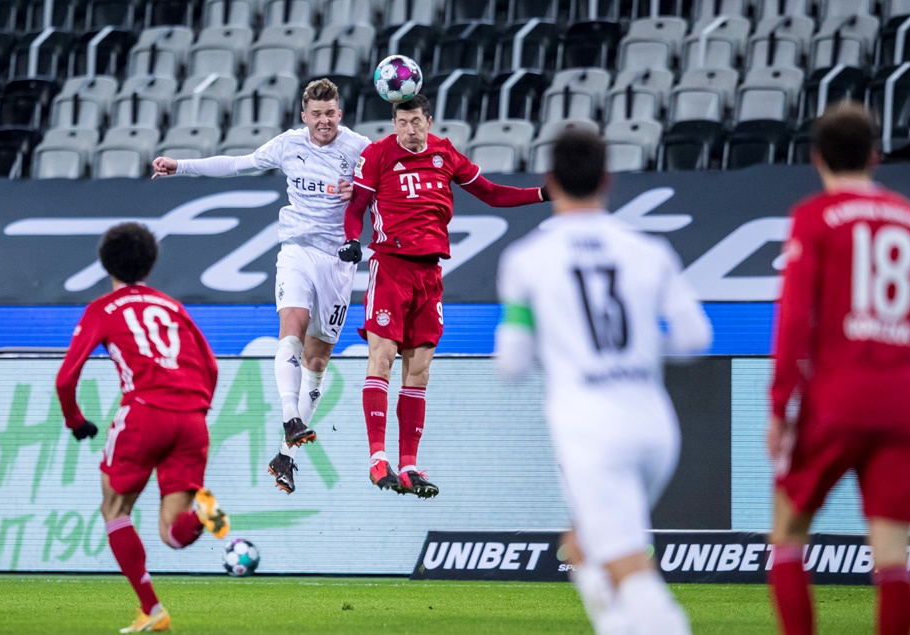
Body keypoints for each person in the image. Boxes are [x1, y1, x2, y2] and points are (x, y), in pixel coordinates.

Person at [494, 129, 712, 634]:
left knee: (631, 572)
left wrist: (564, 347)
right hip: (656, 426)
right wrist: (637, 351)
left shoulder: (527, 260)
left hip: (592, 431)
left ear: (550, 181)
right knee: (587, 548)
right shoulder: (647, 249)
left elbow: (512, 364)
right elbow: (695, 336)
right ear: (608, 181)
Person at [767, 102, 910, 635]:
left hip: (833, 401)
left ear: (815, 158)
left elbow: (792, 323)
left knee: (786, 537)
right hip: (899, 406)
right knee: (893, 558)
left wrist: (780, 407)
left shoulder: (813, 218)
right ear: (876, 155)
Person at [152, 78, 369, 495]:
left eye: (331, 113)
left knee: (318, 361)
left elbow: (386, 191)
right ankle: (291, 414)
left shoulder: (359, 149)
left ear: (339, 114)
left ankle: (285, 455)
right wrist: (182, 165)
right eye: (316, 114)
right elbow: (238, 164)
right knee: (292, 326)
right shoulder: (289, 144)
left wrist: (362, 192)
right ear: (304, 116)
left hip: (339, 262)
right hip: (297, 250)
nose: (324, 121)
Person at [339, 93, 548, 497]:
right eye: (401, 122)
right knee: (381, 358)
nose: (409, 129)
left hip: (430, 273)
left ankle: (409, 465)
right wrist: (351, 240)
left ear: (429, 122)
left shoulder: (445, 153)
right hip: (391, 266)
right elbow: (358, 205)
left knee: (419, 371)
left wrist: (541, 194)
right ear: (394, 123)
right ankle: (377, 458)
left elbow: (491, 193)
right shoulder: (378, 155)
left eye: (416, 121)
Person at [56, 222, 229, 633]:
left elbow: (66, 378)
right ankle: (210, 511)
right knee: (173, 533)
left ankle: (152, 610)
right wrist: (195, 411)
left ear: (105, 264)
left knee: (115, 509)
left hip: (144, 413)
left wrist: (76, 421)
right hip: (191, 418)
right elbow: (210, 365)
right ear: (150, 263)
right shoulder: (172, 306)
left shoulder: (102, 309)